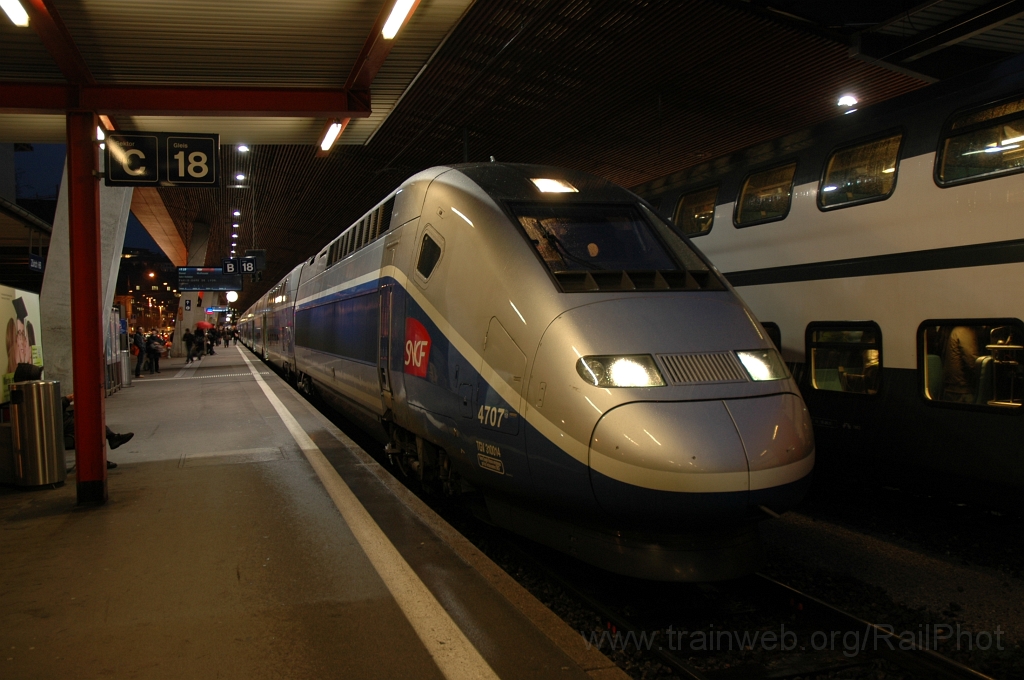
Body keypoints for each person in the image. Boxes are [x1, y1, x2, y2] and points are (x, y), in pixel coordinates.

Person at [61, 393, 132, 469]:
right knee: (90, 426)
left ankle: (112, 438)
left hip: (63, 421)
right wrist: (66, 399)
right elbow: (52, 406)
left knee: (89, 418)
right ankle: (111, 440)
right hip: (62, 425)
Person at [941, 326, 979, 404]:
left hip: (954, 385)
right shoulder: (964, 331)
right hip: (961, 388)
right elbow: (971, 360)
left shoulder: (959, 330)